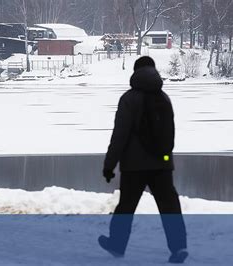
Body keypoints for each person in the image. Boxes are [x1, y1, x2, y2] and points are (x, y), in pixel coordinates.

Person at [99, 56, 188, 264]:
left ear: (135, 72)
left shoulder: (129, 99)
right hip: (162, 164)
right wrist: (165, 156)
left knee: (126, 207)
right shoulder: (164, 98)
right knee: (169, 207)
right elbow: (170, 133)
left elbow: (120, 135)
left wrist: (109, 165)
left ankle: (117, 244)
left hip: (134, 165)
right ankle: (179, 248)